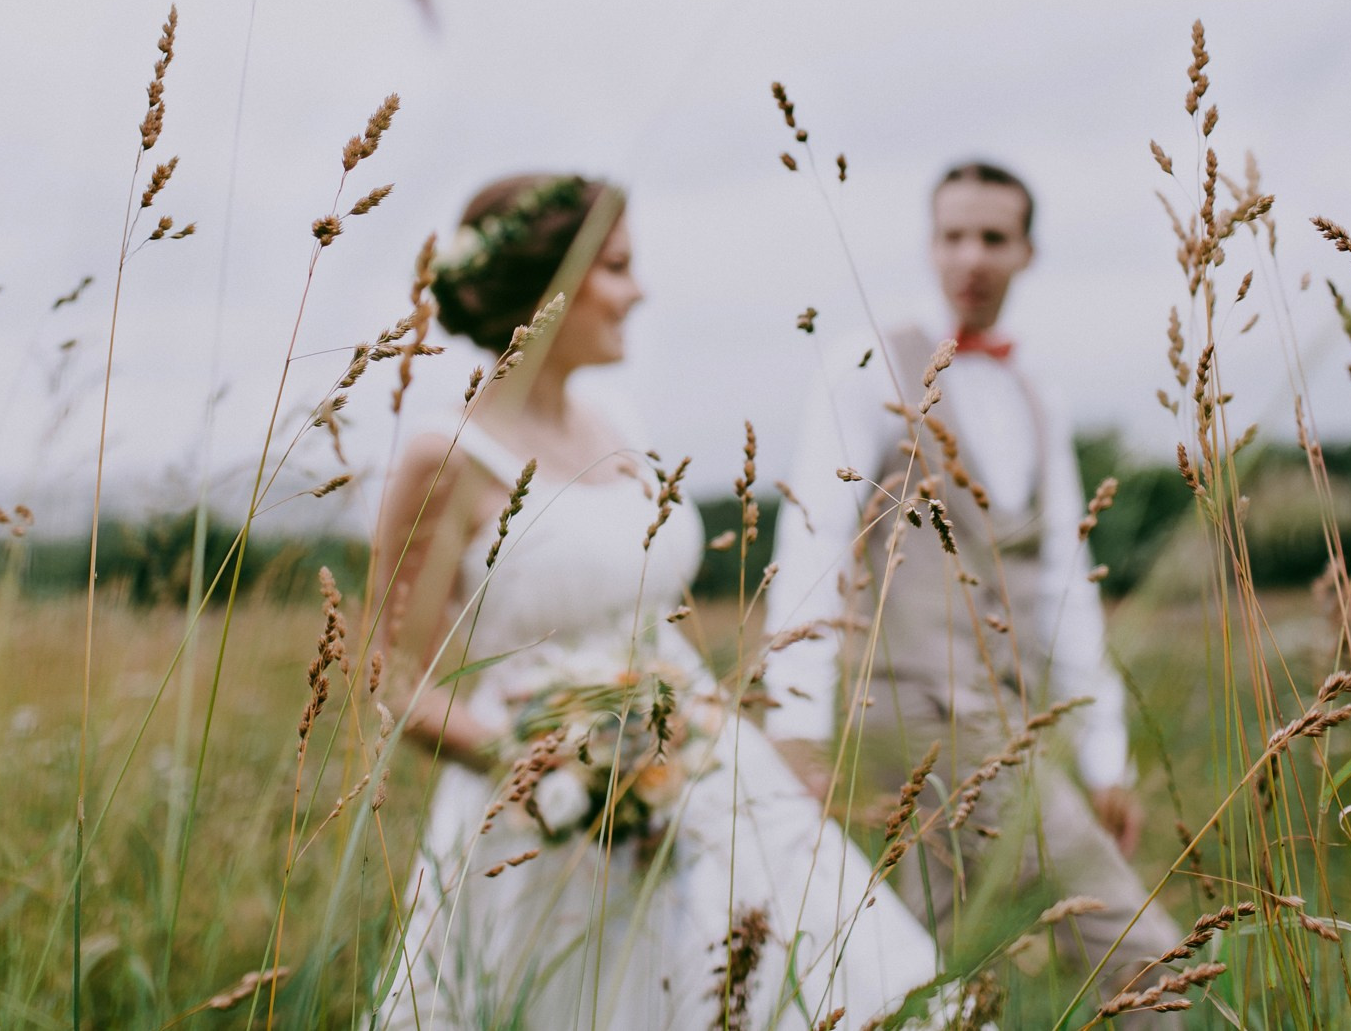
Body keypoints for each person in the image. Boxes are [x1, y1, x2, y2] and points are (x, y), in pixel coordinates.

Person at [372, 174, 961, 1031]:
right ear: (545, 287)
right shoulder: (445, 457)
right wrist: (558, 765)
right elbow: (396, 682)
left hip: (707, 773)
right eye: (616, 267)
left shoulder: (614, 418)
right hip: (539, 829)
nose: (639, 291)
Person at [761, 161, 1184, 1013]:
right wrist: (797, 726)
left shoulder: (1038, 397)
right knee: (1149, 960)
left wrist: (1105, 755)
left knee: (920, 977)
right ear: (929, 244)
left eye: (994, 237)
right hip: (907, 718)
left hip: (1008, 722)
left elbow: (1066, 580)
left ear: (1027, 251)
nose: (972, 257)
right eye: (953, 235)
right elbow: (811, 539)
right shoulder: (868, 363)